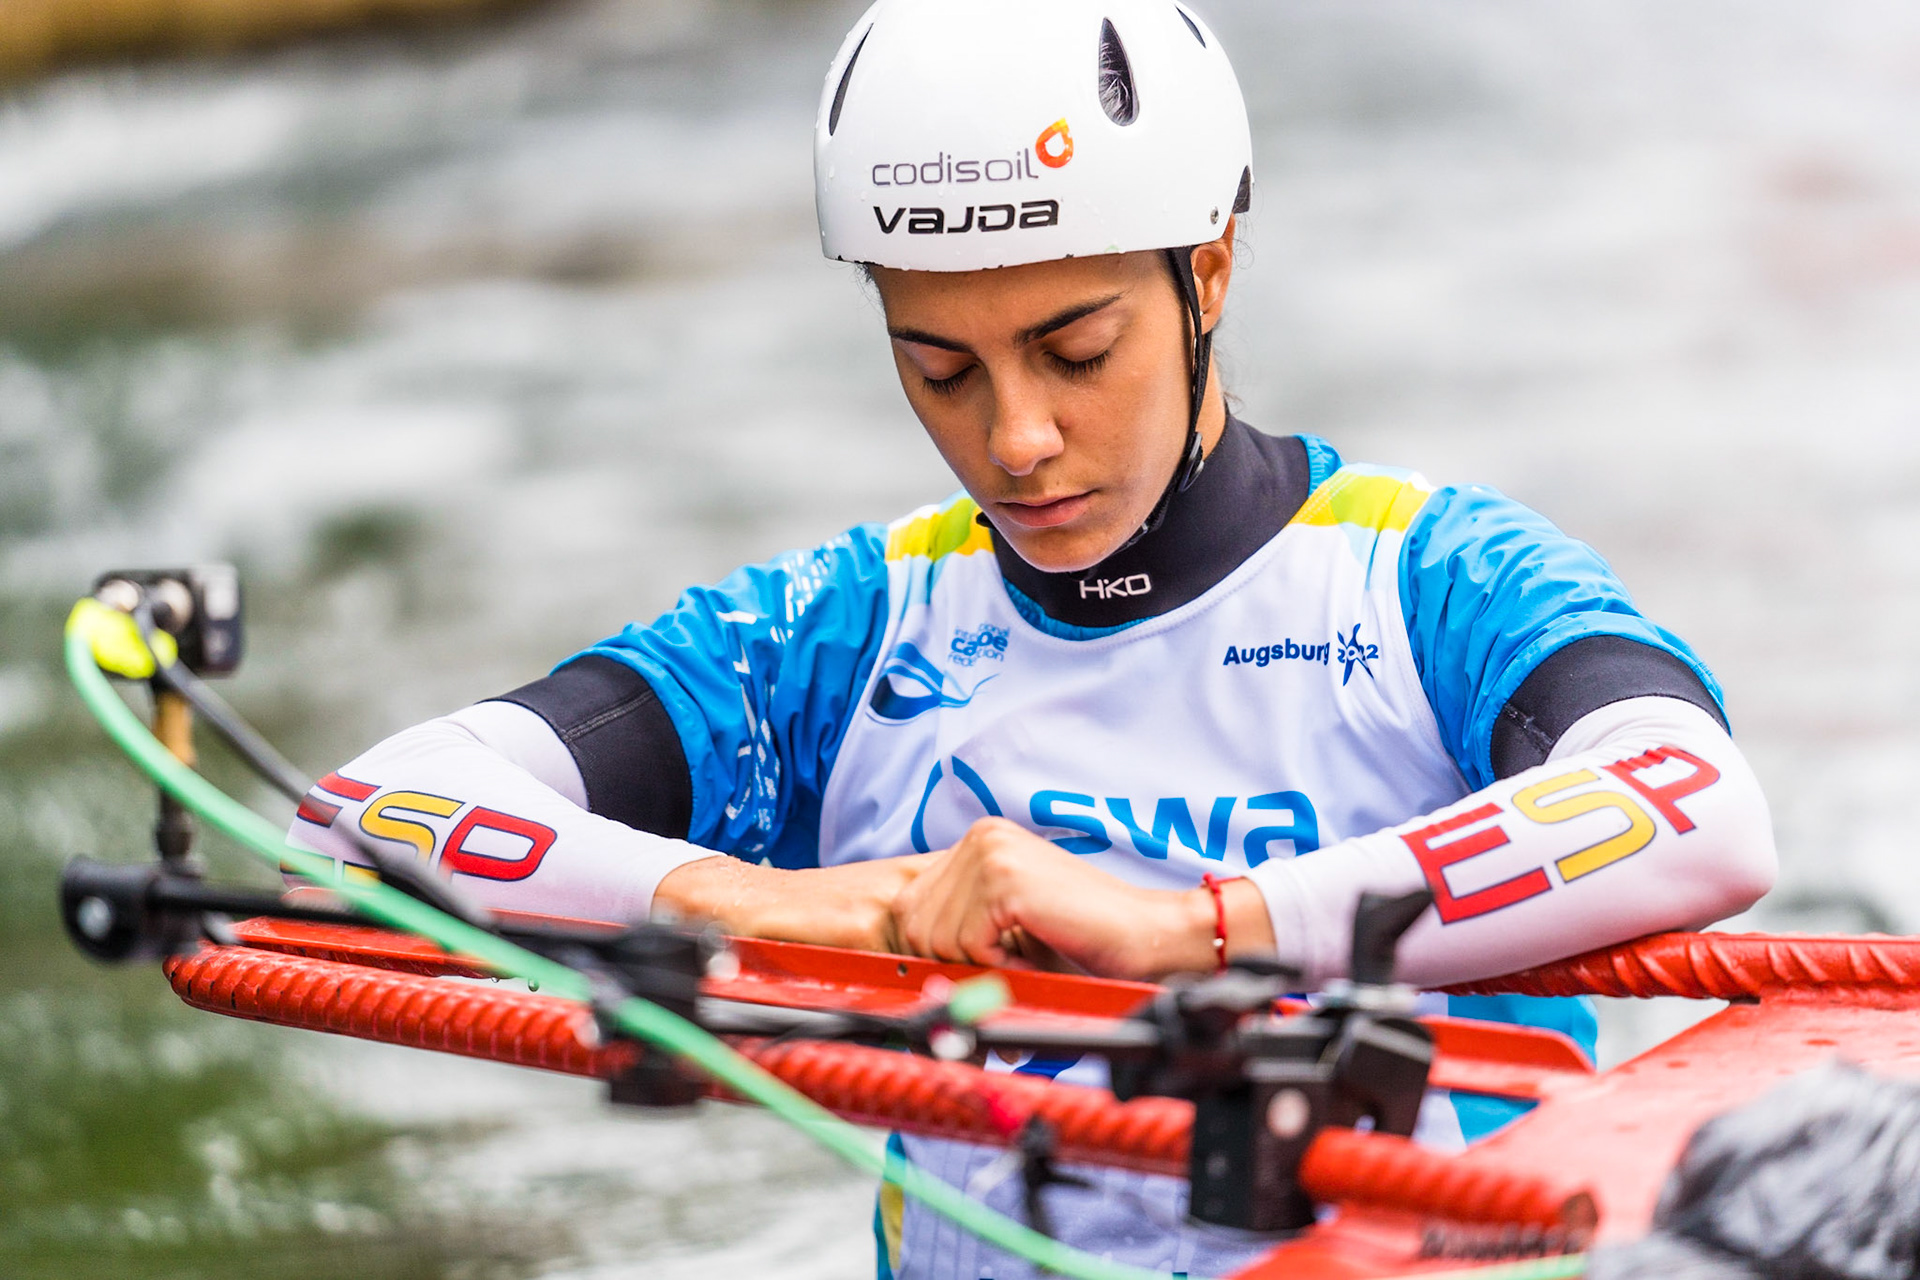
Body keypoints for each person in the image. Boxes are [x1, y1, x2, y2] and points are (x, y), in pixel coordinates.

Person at [287, 1, 1777, 1276]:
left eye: (1077, 352)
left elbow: (1699, 810)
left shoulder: (1428, 576)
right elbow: (366, 814)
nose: (1015, 439)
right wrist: (758, 903)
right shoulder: (841, 630)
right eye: (937, 366)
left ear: (1206, 270)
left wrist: (1198, 931)